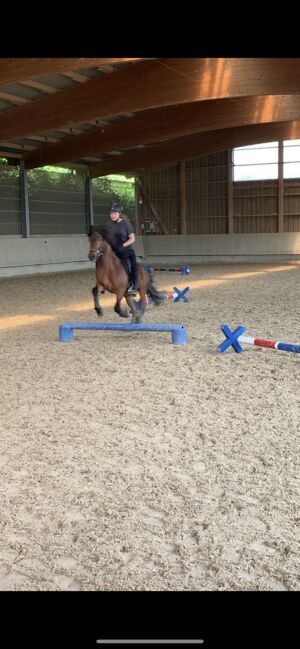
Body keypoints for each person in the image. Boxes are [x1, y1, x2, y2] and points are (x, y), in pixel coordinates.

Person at [106, 203, 138, 295]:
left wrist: (122, 245)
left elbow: (132, 238)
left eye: (115, 213)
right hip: (114, 251)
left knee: (132, 268)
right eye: (111, 213)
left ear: (119, 213)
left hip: (126, 251)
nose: (112, 215)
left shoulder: (125, 224)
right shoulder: (109, 224)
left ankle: (134, 286)